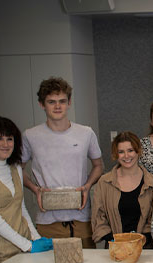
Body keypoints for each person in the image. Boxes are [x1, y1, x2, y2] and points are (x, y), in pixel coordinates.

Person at [22, 76, 104, 248]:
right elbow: (17, 170)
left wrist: (88, 185)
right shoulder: (30, 135)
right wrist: (35, 189)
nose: (57, 106)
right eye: (51, 102)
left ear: (69, 103)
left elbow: (98, 166)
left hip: (82, 217)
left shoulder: (85, 133)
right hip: (48, 220)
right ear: (42, 104)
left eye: (62, 101)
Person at [0, 117, 53, 263]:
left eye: (10, 139)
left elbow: (21, 209)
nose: (6, 144)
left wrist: (36, 238)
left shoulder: (15, 168)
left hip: (24, 245)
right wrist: (28, 245)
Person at [91, 131, 153, 248]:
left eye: (130, 150)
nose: (126, 156)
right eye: (121, 152)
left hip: (145, 248)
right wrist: (114, 240)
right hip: (114, 247)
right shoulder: (104, 182)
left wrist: (142, 239)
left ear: (138, 151)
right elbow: (98, 216)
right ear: (115, 154)